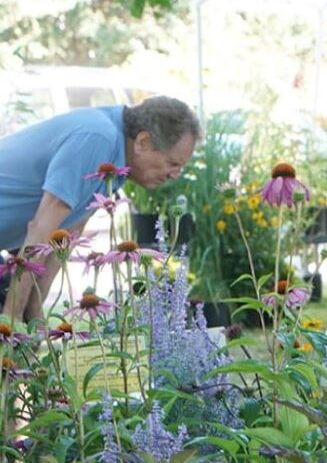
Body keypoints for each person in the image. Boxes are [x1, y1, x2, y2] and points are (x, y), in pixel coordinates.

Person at [0, 96, 201, 321]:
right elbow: (41, 229)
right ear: (143, 141)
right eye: (172, 163)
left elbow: (61, 244)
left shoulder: (116, 159)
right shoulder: (98, 139)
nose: (175, 175)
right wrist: (11, 319)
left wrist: (35, 318)